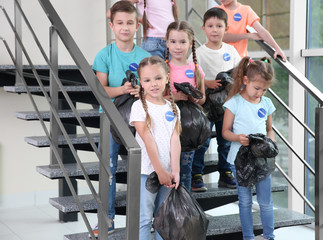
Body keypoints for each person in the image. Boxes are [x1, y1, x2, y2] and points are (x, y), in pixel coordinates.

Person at [91, 1, 150, 236]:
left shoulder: (145, 56)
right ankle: (107, 219)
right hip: (110, 119)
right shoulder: (104, 54)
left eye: (129, 23)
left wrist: (141, 91)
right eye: (119, 23)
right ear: (111, 26)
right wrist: (124, 90)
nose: (125, 28)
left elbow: (155, 88)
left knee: (145, 169)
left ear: (137, 25)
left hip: (141, 120)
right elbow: (101, 89)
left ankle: (145, 218)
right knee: (109, 169)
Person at [222, 56, 276, 240]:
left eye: (264, 89)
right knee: (245, 202)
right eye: (257, 88)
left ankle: (269, 236)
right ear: (246, 80)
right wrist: (238, 138)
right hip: (239, 160)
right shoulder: (234, 102)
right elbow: (225, 132)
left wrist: (271, 143)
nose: (260, 93)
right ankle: (248, 237)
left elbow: (269, 129)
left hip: (261, 161)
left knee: (265, 202)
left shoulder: (266, 104)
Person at [189, 7, 241, 192]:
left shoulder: (231, 51)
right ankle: (196, 174)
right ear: (203, 28)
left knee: (225, 141)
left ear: (226, 28)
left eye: (219, 26)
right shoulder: (199, 54)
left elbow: (239, 74)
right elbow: (190, 78)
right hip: (206, 106)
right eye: (210, 26)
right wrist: (208, 82)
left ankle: (226, 173)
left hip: (227, 105)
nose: (214, 29)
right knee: (202, 141)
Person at [129, 56, 181, 240]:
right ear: (141, 83)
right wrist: (159, 171)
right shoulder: (138, 107)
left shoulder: (172, 107)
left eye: (158, 78)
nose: (154, 84)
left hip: (167, 172)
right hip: (147, 172)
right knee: (144, 218)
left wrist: (175, 170)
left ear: (167, 77)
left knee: (164, 218)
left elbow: (175, 139)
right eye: (147, 80)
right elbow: (148, 140)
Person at [164, 20, 206, 191]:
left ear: (190, 44)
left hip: (189, 129)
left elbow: (203, 98)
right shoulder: (162, 68)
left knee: (186, 169)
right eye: (173, 42)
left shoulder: (195, 68)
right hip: (166, 126)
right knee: (168, 168)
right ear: (167, 43)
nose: (178, 47)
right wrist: (175, 97)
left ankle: (185, 209)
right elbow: (155, 97)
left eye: (182, 42)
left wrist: (195, 98)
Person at [216, 0, 286, 61]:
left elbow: (261, 30)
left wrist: (277, 48)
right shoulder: (216, 11)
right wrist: (248, 35)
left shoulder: (246, 10)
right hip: (222, 60)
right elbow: (222, 37)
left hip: (241, 62)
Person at [107, 0, 179, 59]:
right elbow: (110, 13)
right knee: (153, 74)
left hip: (171, 42)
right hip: (153, 42)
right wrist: (139, 20)